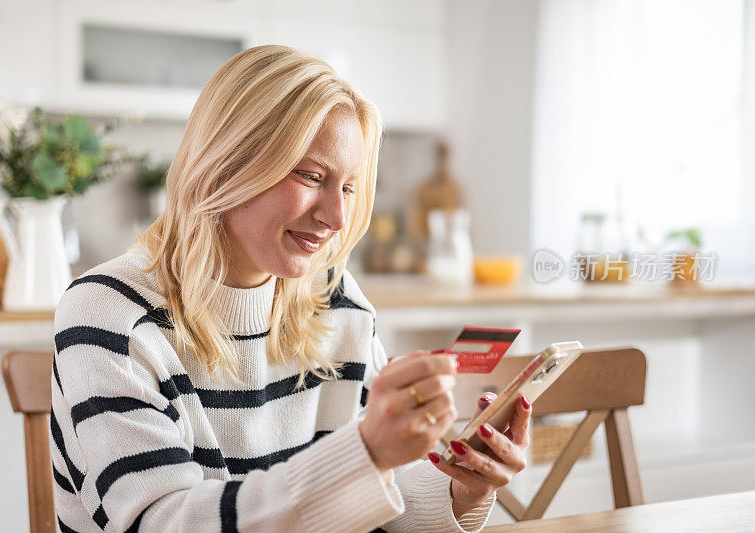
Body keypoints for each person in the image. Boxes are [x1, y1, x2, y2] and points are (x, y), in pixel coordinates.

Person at [50, 45, 531, 533]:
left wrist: (461, 488)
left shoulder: (335, 301)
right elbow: (161, 523)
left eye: (347, 187)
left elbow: (387, 494)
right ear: (227, 161)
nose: (337, 218)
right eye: (311, 176)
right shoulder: (109, 315)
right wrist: (362, 453)